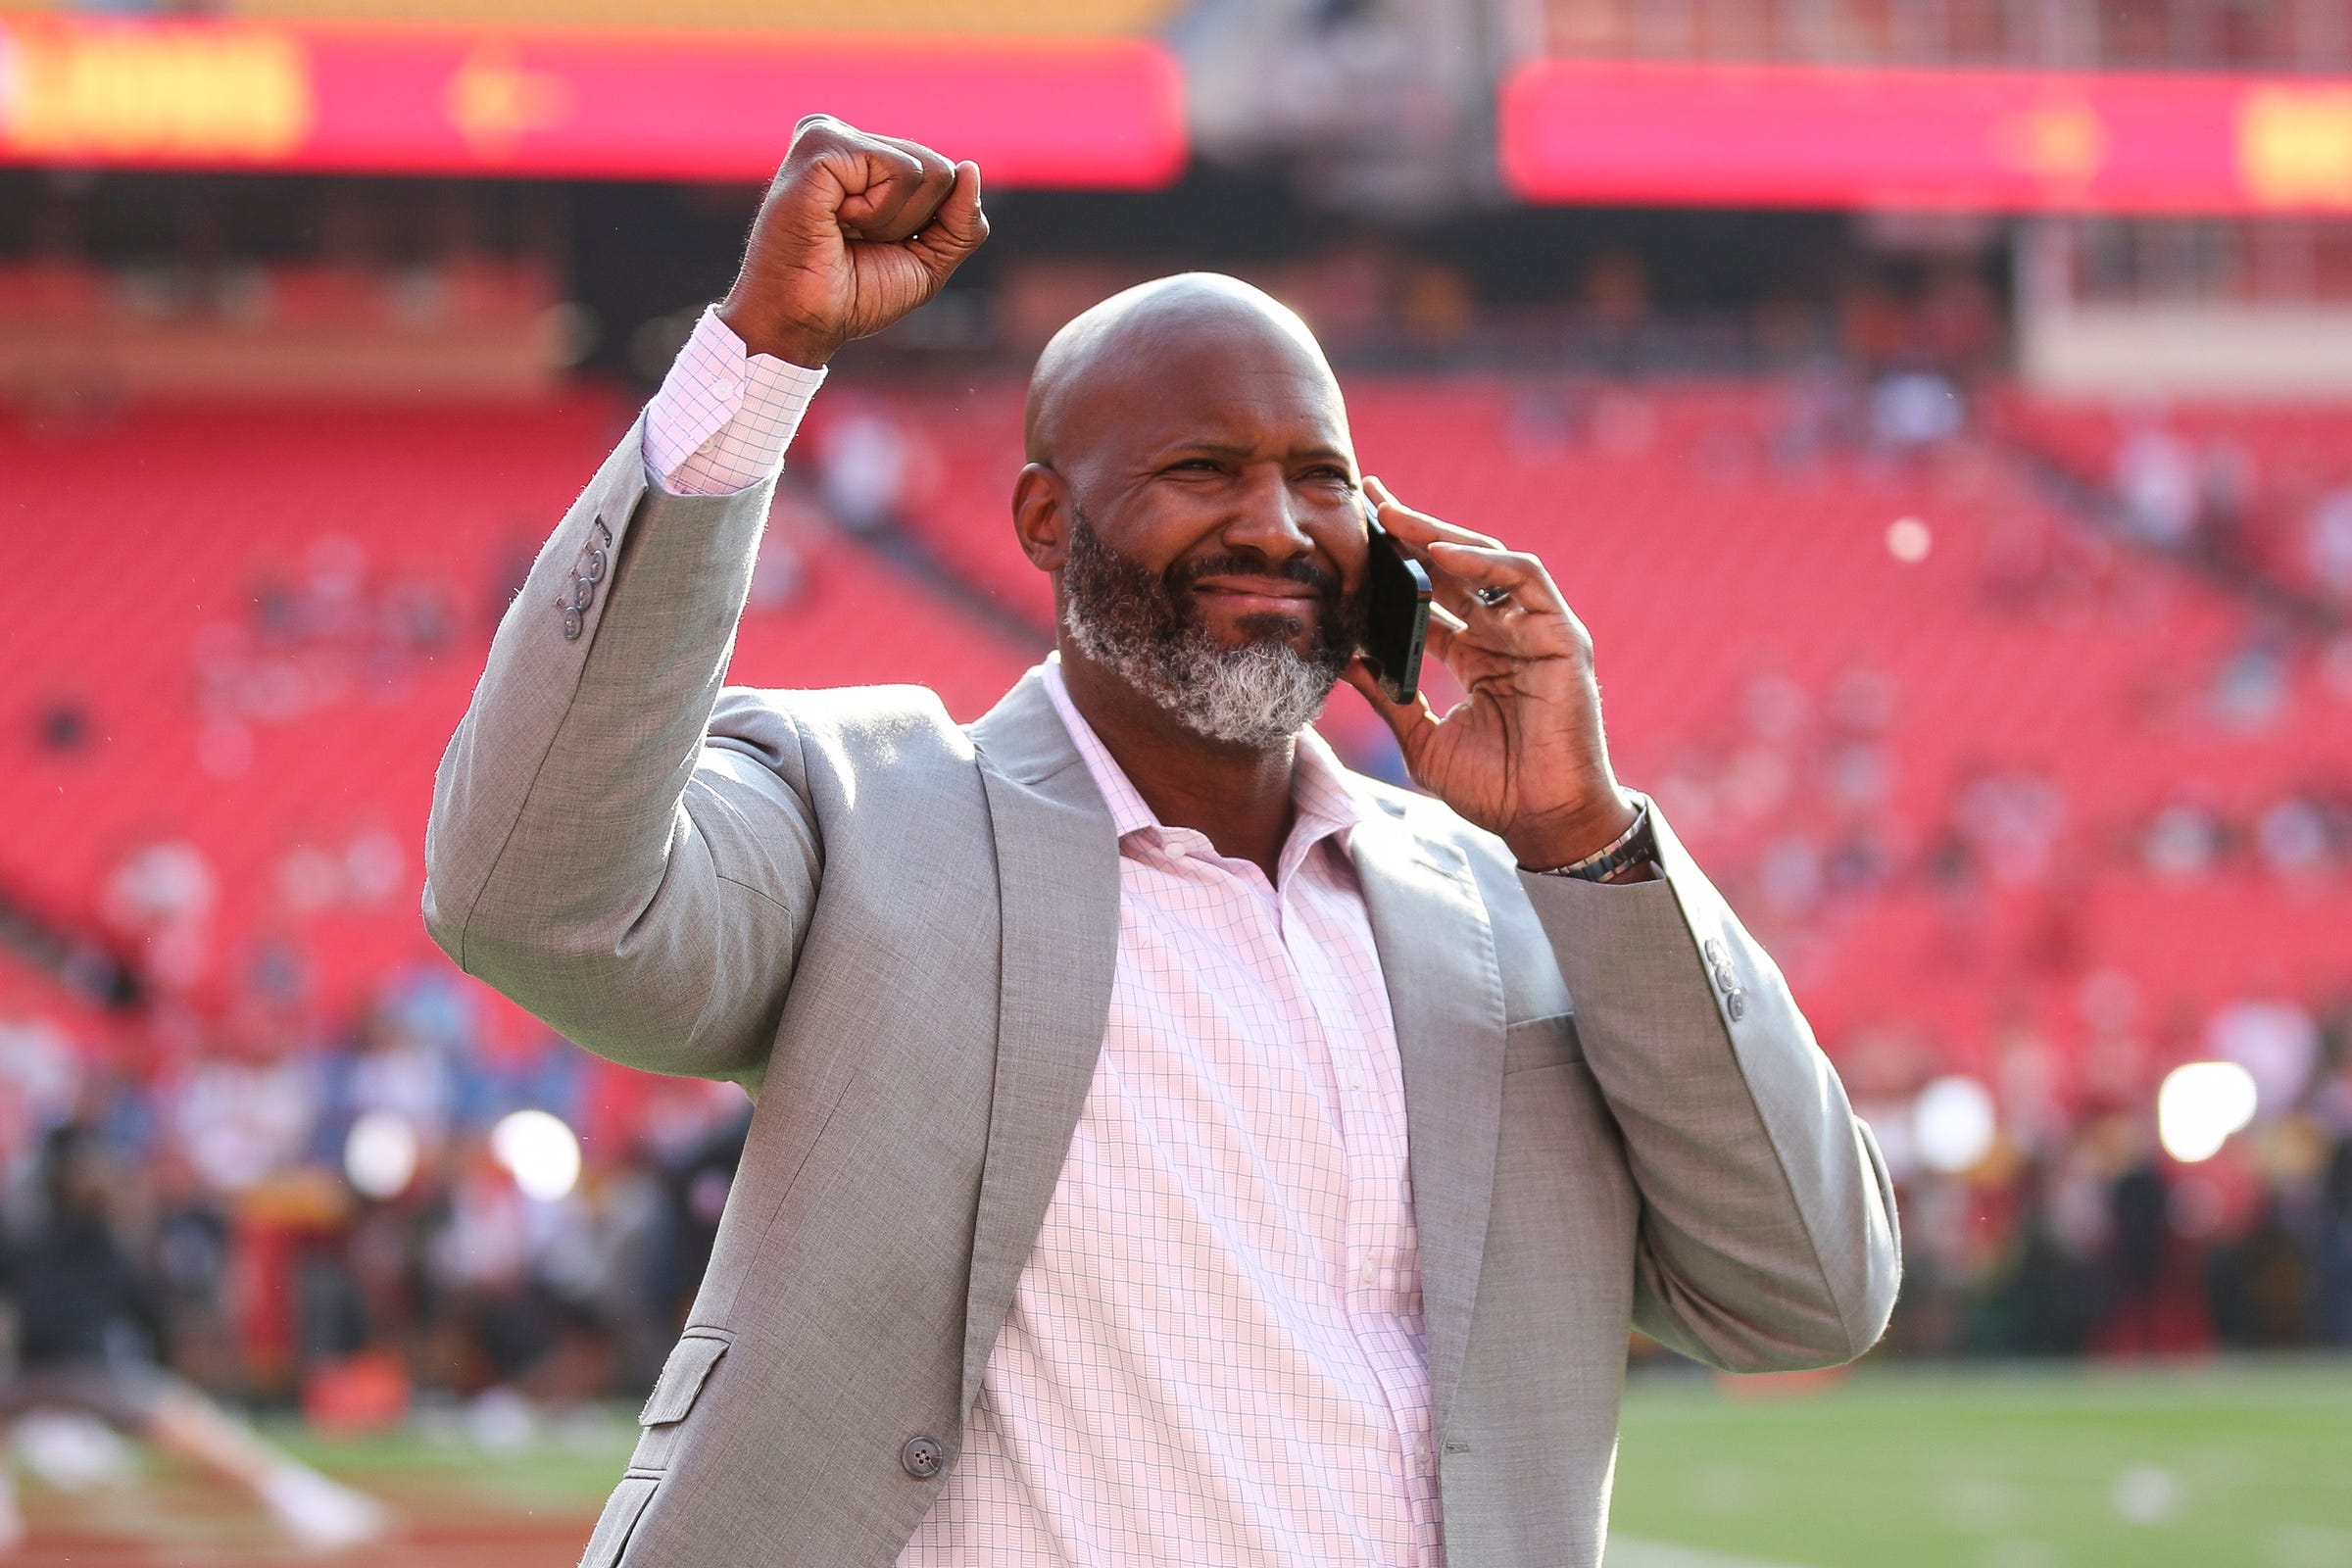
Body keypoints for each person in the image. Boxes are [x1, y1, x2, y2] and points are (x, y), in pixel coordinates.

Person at [422, 116, 1899, 1568]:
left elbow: (1811, 1292)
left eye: (1319, 476)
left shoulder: (1518, 902)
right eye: (1202, 469)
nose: (1275, 523)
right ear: (1047, 522)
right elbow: (529, 899)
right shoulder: (861, 807)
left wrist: (1585, 839)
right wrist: (755, 362)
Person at [0, 1124, 388, 1552]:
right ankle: (297, 1494)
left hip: (84, 1374)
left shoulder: (91, 1239)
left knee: (190, 1423)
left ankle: (298, 1496)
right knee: (186, 1419)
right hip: (48, 1373)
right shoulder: (39, 1238)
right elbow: (145, 1316)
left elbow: (145, 1315)